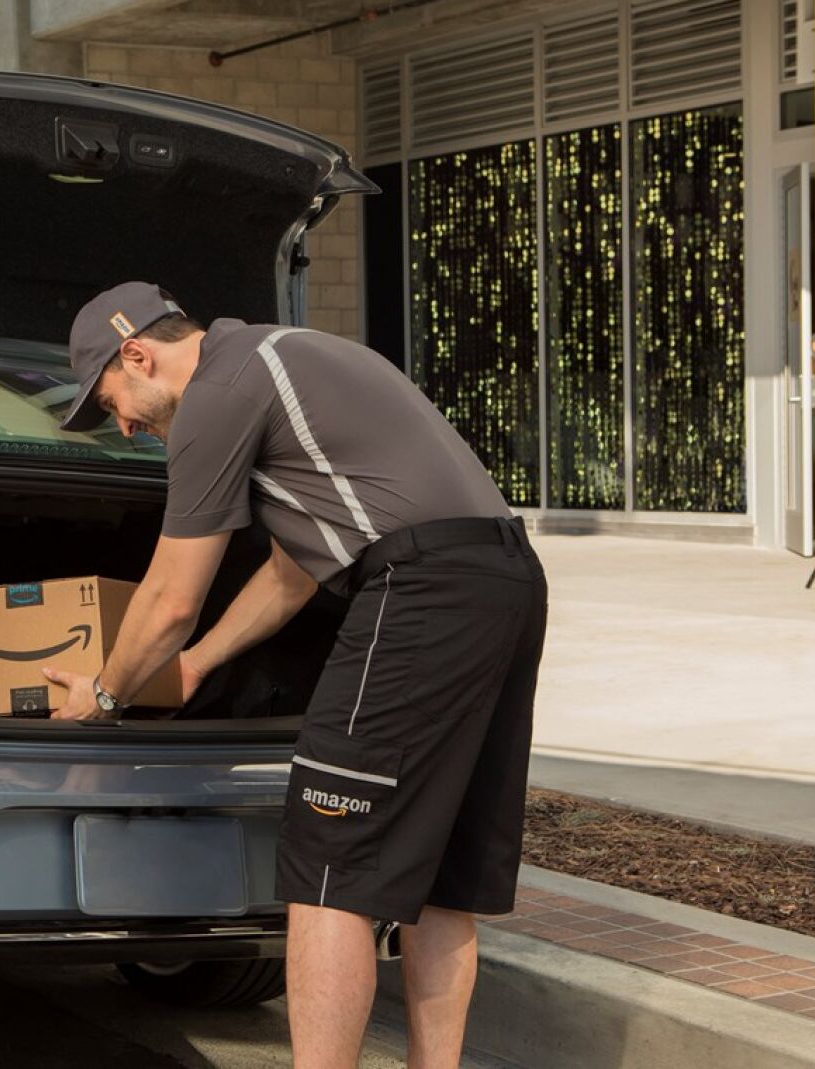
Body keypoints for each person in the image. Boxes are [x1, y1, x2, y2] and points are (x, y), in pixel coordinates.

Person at [43, 282, 547, 1069]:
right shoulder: (290, 354)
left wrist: (103, 697)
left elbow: (172, 595)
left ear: (135, 353)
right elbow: (291, 572)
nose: (125, 424)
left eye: (111, 400)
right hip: (505, 577)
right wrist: (195, 667)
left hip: (421, 590)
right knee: (443, 878)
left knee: (327, 866)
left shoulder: (217, 392)